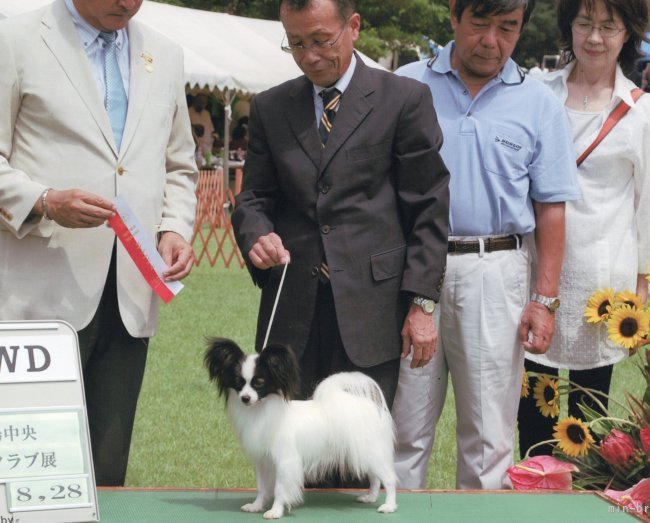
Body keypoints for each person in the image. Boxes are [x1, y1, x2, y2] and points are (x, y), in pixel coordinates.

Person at [0, 0, 198, 486]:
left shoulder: (167, 54)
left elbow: (179, 165)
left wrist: (174, 228)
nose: (125, 2)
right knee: (33, 467)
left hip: (131, 296)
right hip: (38, 294)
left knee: (107, 469)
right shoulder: (15, 39)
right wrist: (42, 200)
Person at [392, 0, 582, 489]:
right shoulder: (405, 85)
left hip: (496, 271)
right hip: (411, 270)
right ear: (454, 16)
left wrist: (544, 299)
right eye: (480, 23)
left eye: (508, 27)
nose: (492, 40)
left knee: (488, 439)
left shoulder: (539, 103)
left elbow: (551, 207)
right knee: (401, 431)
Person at [231, 0, 450, 412]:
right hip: (291, 309)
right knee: (289, 452)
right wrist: (256, 234)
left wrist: (422, 304)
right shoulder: (269, 107)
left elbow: (428, 207)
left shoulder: (404, 99)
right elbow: (254, 197)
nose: (309, 57)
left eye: (320, 40)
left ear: (353, 26)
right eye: (295, 44)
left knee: (355, 454)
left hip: (373, 312)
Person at [517, 0, 650, 457]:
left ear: (628, 34)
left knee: (587, 424)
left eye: (608, 26)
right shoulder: (535, 91)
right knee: (533, 420)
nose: (595, 38)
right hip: (535, 279)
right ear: (569, 26)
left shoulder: (645, 110)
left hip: (601, 290)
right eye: (584, 23)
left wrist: (647, 291)